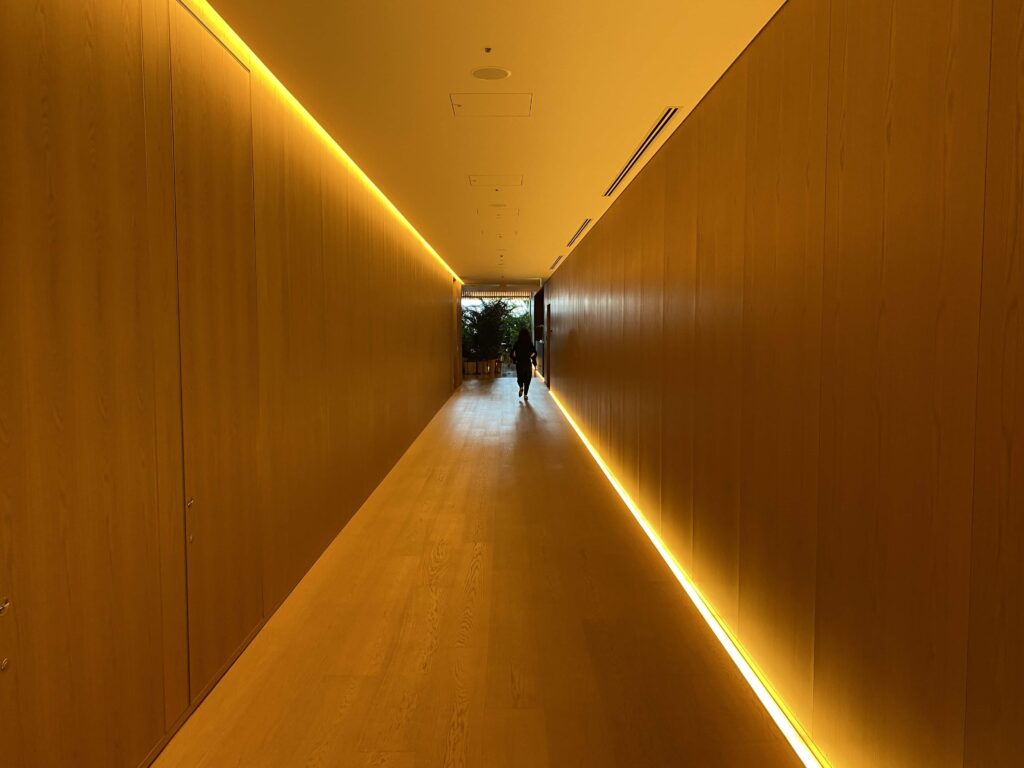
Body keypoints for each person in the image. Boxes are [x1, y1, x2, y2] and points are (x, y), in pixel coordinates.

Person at [510, 327, 537, 401]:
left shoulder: (517, 343)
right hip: (527, 363)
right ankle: (525, 395)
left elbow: (511, 354)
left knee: (520, 377)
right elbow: (534, 352)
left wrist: (515, 359)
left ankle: (521, 387)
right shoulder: (529, 343)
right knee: (527, 379)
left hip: (519, 363)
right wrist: (532, 359)